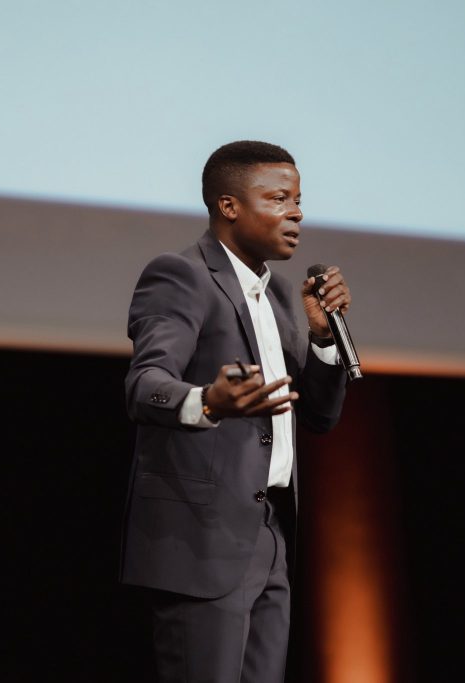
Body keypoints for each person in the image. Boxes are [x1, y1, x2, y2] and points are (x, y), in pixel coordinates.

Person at [121, 140, 352, 682]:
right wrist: (207, 400)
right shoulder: (182, 275)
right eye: (278, 199)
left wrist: (323, 339)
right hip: (201, 541)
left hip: (269, 534)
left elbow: (318, 416)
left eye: (298, 201)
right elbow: (144, 384)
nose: (296, 213)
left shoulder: (279, 296)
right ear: (229, 206)